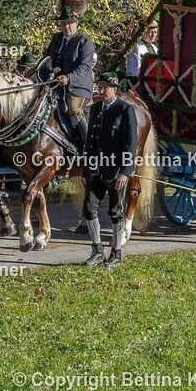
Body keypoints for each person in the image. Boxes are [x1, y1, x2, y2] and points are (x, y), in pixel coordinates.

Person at [82, 72, 137, 269]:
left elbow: (131, 144)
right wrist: (86, 169)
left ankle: (116, 253)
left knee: (116, 211)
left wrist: (126, 171)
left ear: (115, 89)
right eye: (100, 86)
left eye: (105, 87)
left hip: (115, 171)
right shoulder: (95, 108)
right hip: (95, 169)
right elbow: (89, 141)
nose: (101, 90)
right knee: (89, 209)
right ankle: (97, 250)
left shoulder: (125, 110)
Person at [43, 0, 96, 147]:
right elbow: (46, 60)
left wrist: (68, 78)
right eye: (63, 23)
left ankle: (89, 146)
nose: (66, 26)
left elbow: (85, 67)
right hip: (54, 84)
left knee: (73, 109)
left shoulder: (85, 42)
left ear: (76, 23)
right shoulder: (56, 39)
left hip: (77, 87)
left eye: (70, 23)